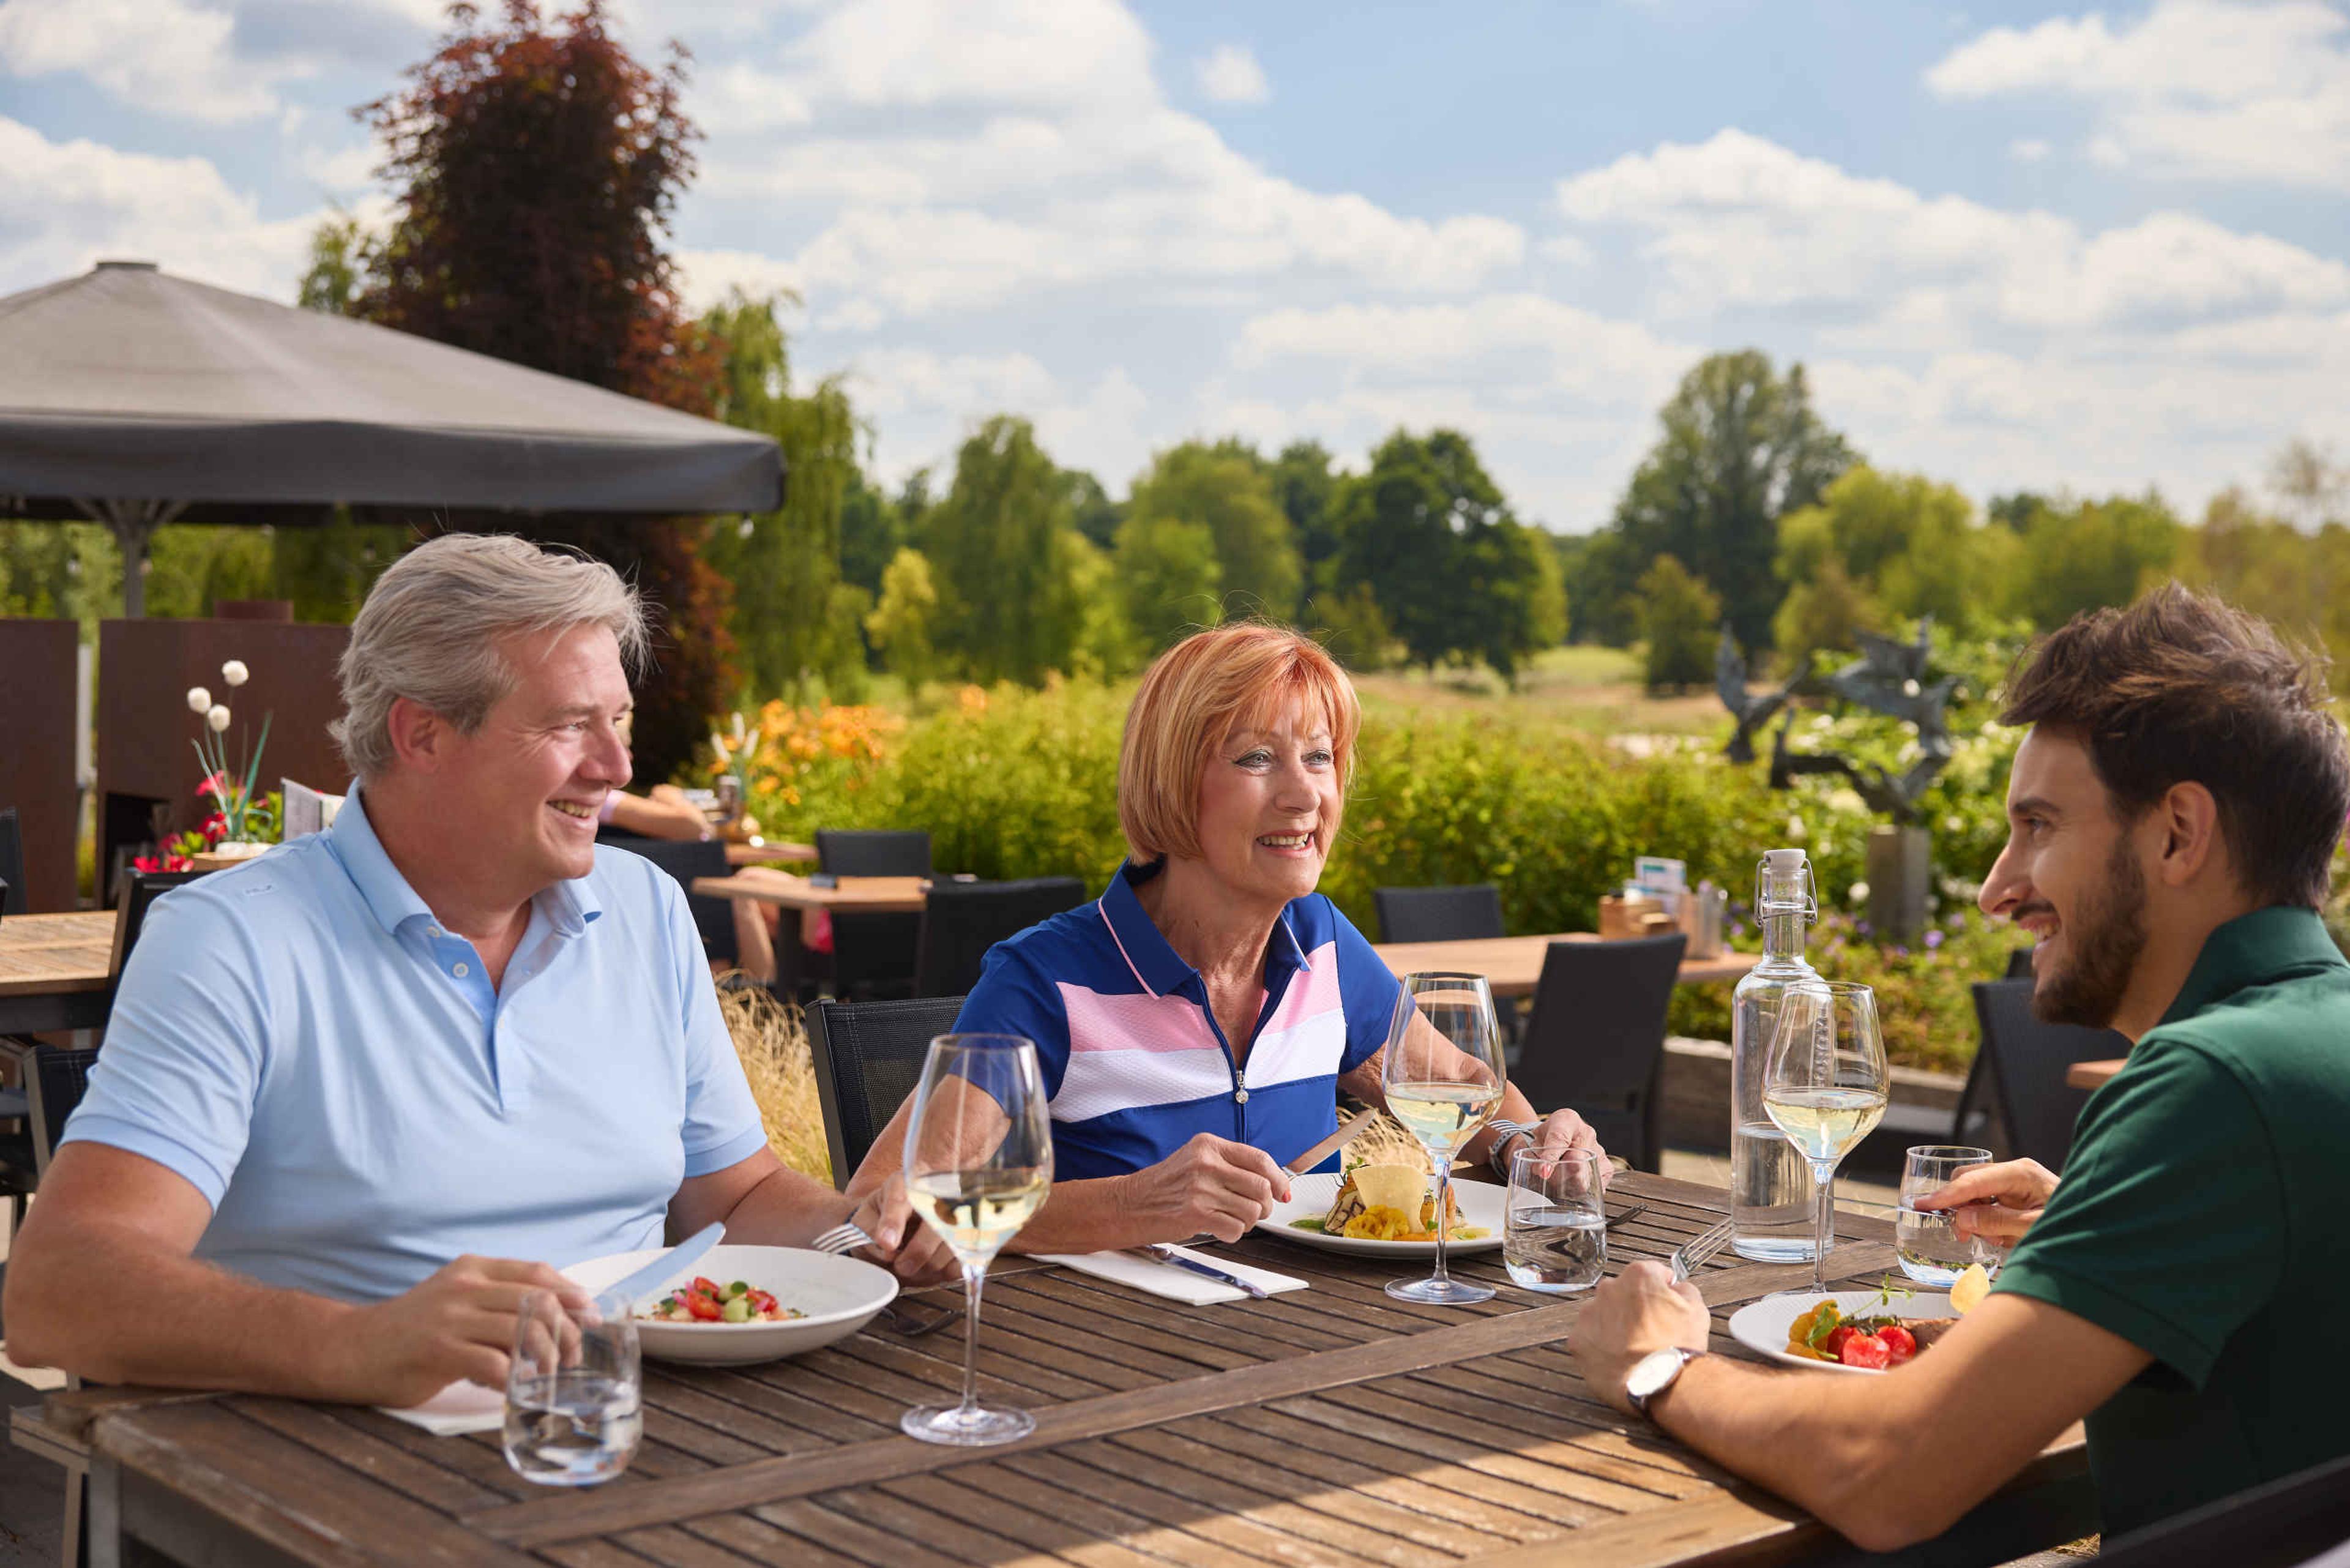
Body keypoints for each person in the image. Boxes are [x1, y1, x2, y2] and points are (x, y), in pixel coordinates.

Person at [2, 534, 947, 1409]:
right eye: (573, 724)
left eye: (618, 719)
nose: (617, 765)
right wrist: (358, 1345)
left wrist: (858, 1233)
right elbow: (57, 1289)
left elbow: (734, 1196)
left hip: (624, 1430)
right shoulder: (232, 942)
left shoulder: (647, 912)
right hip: (335, 1474)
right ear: (422, 735)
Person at [1570, 584, 2350, 1548]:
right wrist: (2098, 1226)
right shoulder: (2308, 1054)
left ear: (2178, 833)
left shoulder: (2213, 1085)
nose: (1995, 889)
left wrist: (1659, 1366)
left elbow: (1890, 1473)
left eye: (2039, 826)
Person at [846, 622, 1603, 1251]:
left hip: (1312, 1352)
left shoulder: (1325, 946)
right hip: (1094, 1367)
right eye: (1256, 758)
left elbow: (1463, 1096)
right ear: (1173, 778)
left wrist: (1531, 1146)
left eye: (1319, 757)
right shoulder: (1046, 979)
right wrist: (1132, 1206)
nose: (1304, 792)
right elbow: (886, 1209)